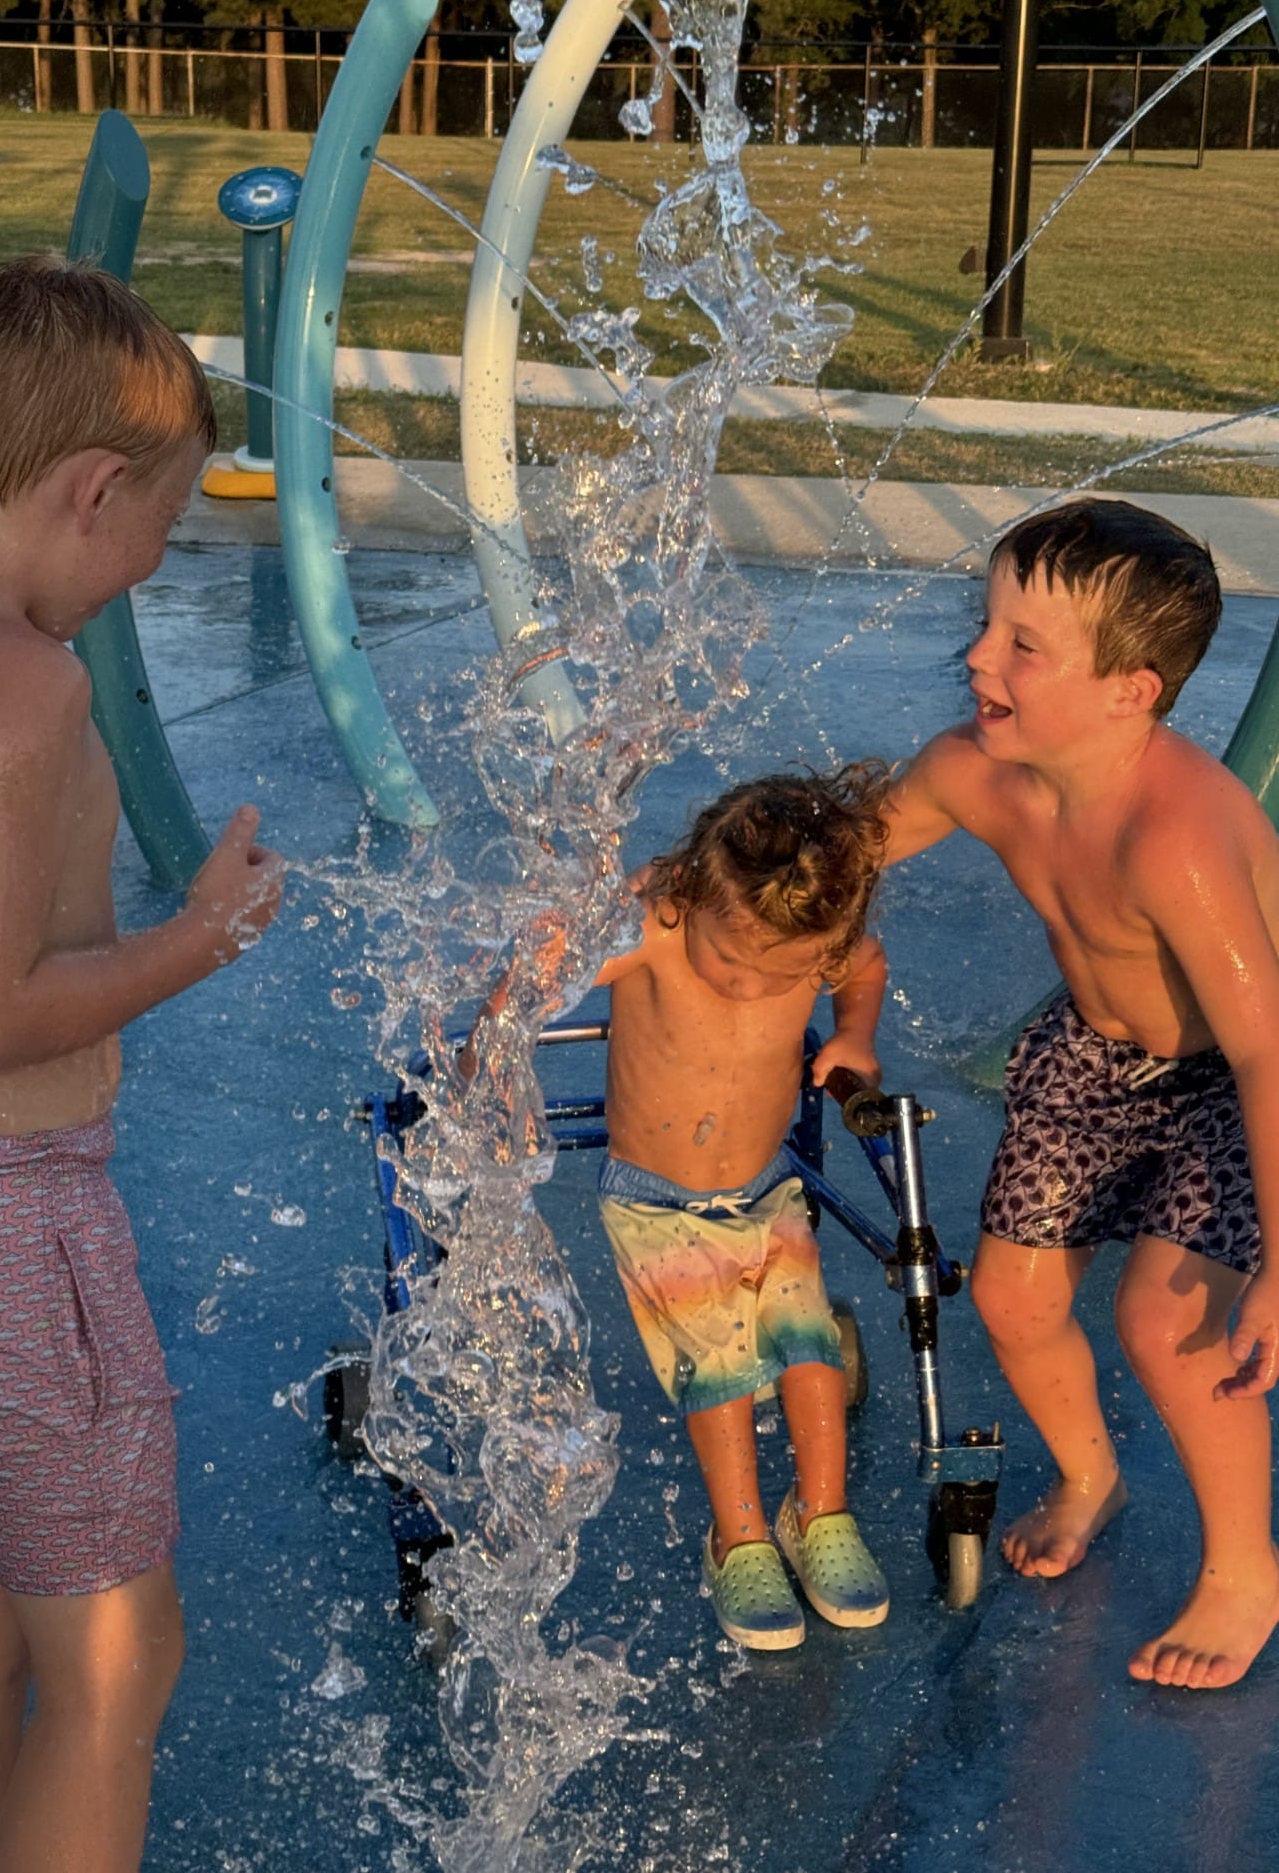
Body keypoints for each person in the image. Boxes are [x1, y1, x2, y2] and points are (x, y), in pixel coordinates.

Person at [0, 255, 287, 1872]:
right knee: (115, 1663)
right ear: (95, 490)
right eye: (154, 540)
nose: (142, 575)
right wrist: (201, 939)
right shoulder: (15, 686)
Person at [885, 495, 1279, 1691]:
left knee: (1167, 1326)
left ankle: (1245, 1570)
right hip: (1091, 1052)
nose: (977, 657)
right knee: (1009, 1298)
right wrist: (691, 884)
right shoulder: (976, 772)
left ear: (1132, 690)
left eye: (1021, 646)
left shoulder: (1176, 836)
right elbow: (826, 847)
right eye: (987, 621)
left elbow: (1264, 1049)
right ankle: (1091, 1474)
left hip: (1232, 1074)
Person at [492, 767, 895, 1649]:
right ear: (689, 891)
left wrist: (856, 1032)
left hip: (765, 1183)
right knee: (721, 1367)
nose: (751, 986)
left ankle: (819, 1515)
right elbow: (532, 974)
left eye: (779, 972)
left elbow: (864, 965)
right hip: (661, 1203)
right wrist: (497, 1063)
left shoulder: (812, 934)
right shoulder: (656, 925)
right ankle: (739, 1534)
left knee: (809, 1344)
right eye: (734, 959)